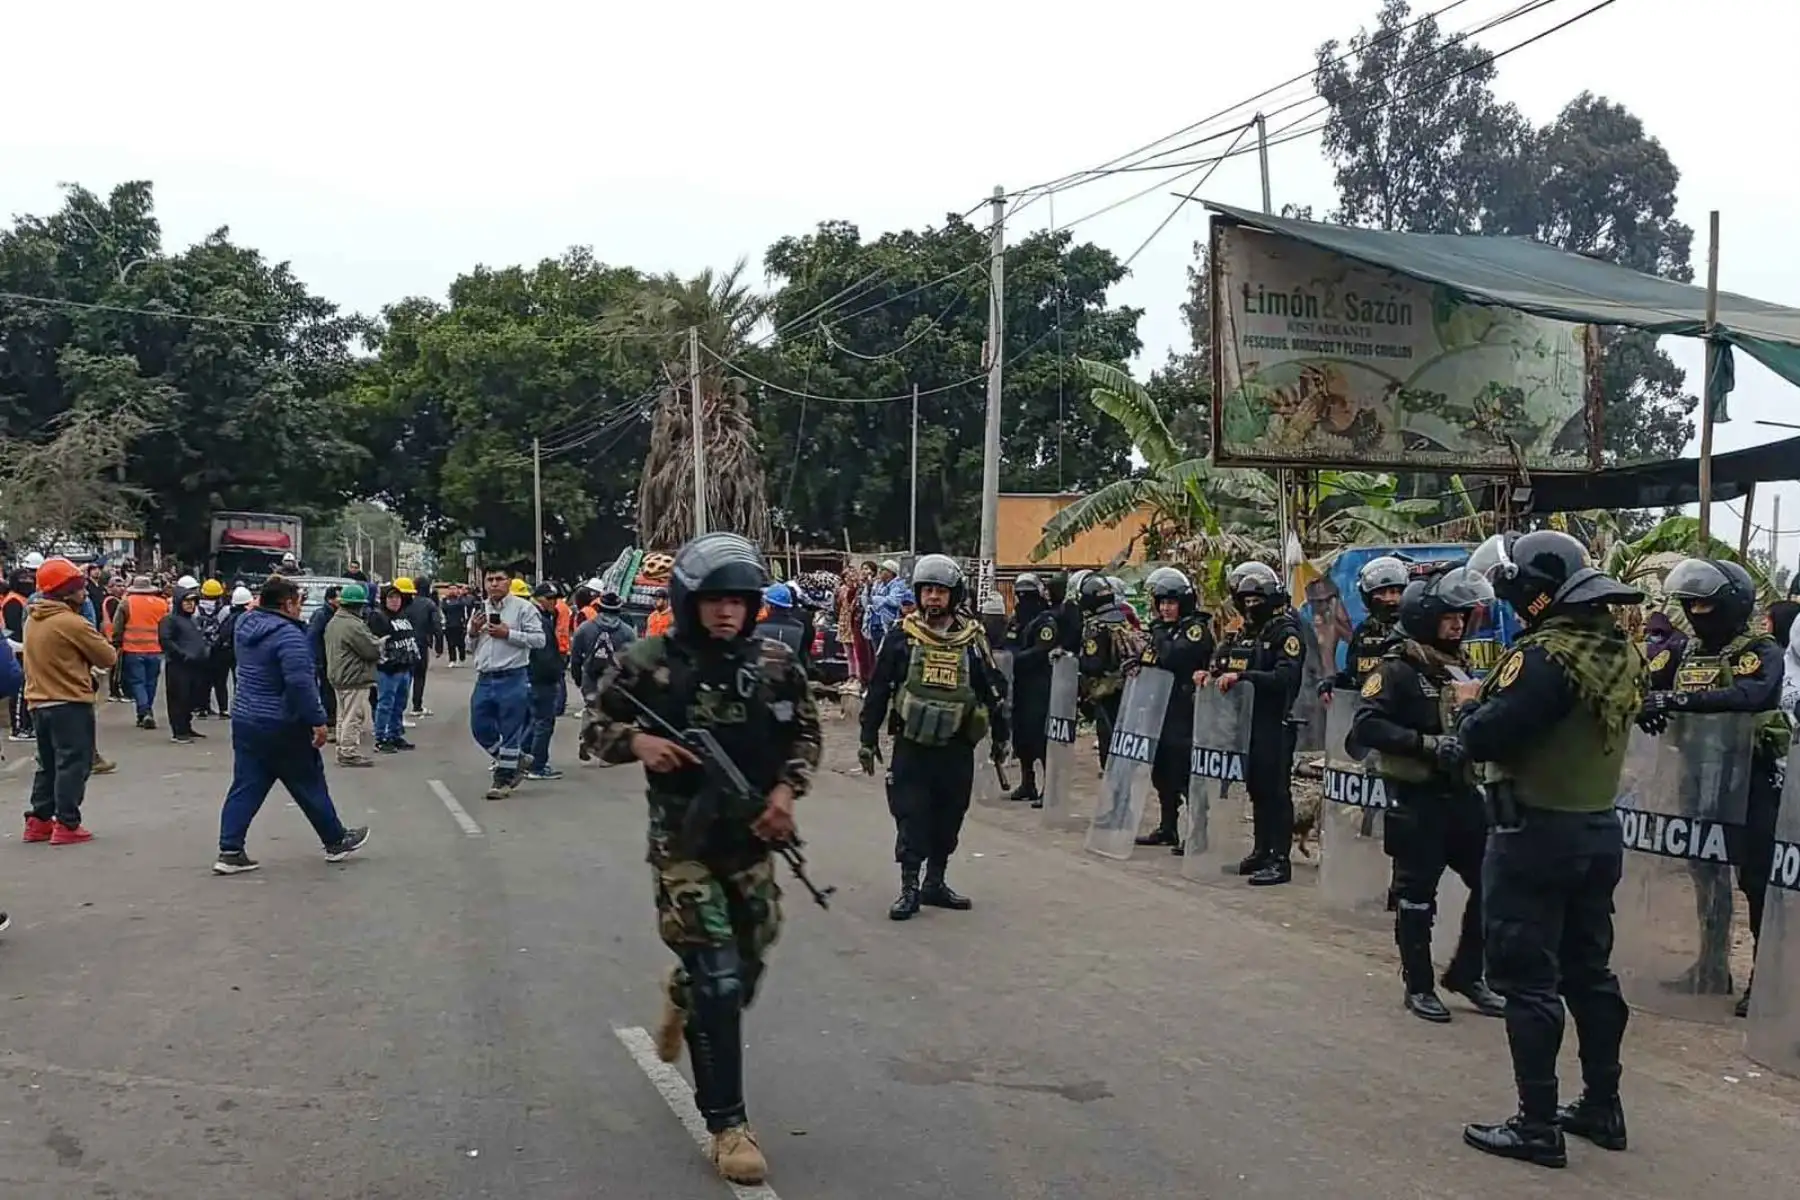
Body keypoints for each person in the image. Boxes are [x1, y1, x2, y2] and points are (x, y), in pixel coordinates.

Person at [586, 532, 819, 1188]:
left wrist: (784, 791)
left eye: (738, 602)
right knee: (718, 979)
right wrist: (639, 743)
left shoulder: (776, 661)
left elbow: (804, 731)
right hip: (682, 845)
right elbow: (594, 729)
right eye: (714, 600)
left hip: (752, 842)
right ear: (691, 602)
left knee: (746, 963)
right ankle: (728, 1126)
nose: (726, 613)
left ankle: (680, 995)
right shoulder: (648, 660)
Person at [1456, 529, 1642, 1167]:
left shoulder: (1542, 658)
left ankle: (1536, 1126)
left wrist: (1466, 717)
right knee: (1590, 972)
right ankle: (1602, 1106)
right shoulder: (1616, 650)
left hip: (1533, 833)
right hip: (1596, 831)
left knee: (1528, 980)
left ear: (1535, 592)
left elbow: (1488, 732)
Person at [1349, 567, 1507, 1023]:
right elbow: (1366, 725)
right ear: (1424, 617)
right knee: (1417, 895)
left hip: (1461, 794)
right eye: (1448, 617)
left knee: (1492, 882)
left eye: (1462, 617)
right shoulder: (1396, 667)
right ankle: (1418, 985)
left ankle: (1468, 973)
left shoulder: (1457, 666)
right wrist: (1426, 745)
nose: (1458, 625)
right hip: (1415, 798)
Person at [1643, 556, 1785, 1018]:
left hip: (1751, 782)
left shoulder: (1759, 650)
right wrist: (1649, 702)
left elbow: (1755, 695)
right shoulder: (1683, 650)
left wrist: (1681, 699)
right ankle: (1711, 965)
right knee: (1706, 873)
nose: (1696, 613)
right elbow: (1646, 684)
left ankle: (1764, 980)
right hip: (1698, 776)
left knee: (1755, 880)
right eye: (1690, 605)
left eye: (1705, 605)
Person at [859, 554, 1009, 920]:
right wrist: (867, 738)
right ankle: (909, 887)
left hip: (956, 748)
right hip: (913, 746)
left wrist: (1002, 739)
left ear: (953, 595)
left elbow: (993, 691)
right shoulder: (902, 636)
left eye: (940, 592)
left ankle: (935, 883)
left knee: (949, 816)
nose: (933, 599)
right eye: (927, 591)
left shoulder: (972, 640)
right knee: (911, 816)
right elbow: (878, 688)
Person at [213, 575, 369, 874]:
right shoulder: (289, 637)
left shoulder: (246, 626)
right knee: (308, 781)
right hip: (282, 723)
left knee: (247, 784)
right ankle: (335, 840)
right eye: (298, 601)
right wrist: (318, 721)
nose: (301, 608)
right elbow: (300, 684)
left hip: (247, 719)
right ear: (287, 604)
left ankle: (229, 849)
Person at [1198, 562, 1305, 886]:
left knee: (1276, 791)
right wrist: (1211, 673)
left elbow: (1285, 677)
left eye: (1256, 599)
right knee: (1257, 787)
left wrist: (1244, 677)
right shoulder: (1244, 631)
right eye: (1245, 599)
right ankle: (1261, 850)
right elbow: (1224, 660)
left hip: (1275, 721)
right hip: (1246, 725)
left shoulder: (1285, 631)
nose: (1250, 605)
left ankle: (1280, 859)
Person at [20, 557, 116, 846]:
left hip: (39, 702)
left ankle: (39, 820)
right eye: (79, 587)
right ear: (66, 591)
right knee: (74, 762)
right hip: (69, 703)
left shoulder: (33, 619)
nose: (84, 592)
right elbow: (107, 656)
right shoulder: (71, 622)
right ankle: (67, 823)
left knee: (47, 763)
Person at [1135, 567, 1215, 852]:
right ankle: (1168, 826)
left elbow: (1172, 657)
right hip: (1160, 710)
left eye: (1171, 603)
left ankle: (1197, 833)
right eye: (1162, 603)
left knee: (1184, 773)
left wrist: (1158, 634)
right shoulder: (1164, 631)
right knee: (1162, 771)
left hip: (1186, 712)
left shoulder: (1195, 630)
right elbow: (1150, 661)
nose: (1165, 609)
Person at [470, 566, 545, 800]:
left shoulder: (524, 609)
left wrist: (508, 633)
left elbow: (539, 640)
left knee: (511, 731)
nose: (494, 584)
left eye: (499, 579)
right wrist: (472, 631)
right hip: (485, 677)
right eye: (489, 579)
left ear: (510, 582)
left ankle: (502, 781)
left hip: (513, 677)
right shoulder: (479, 609)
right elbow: (470, 647)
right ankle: (516, 760)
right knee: (479, 727)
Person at [1003, 573, 1059, 807]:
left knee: (1041, 737)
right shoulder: (1017, 619)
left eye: (1029, 596)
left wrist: (1017, 659)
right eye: (1020, 595)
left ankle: (1050, 788)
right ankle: (1028, 783)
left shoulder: (1046, 621)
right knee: (1022, 735)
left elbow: (1042, 649)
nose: (1023, 600)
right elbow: (1008, 642)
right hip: (1019, 686)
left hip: (1041, 686)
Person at [1075, 573, 1142, 768]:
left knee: (1107, 733)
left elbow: (1093, 664)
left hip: (1106, 690)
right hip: (1128, 686)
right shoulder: (1122, 618)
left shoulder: (1095, 626)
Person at [1321, 556, 1408, 703]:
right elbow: (1353, 674)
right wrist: (1333, 682)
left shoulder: (1414, 630)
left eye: (1394, 592)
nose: (1388, 599)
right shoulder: (1364, 632)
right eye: (1381, 593)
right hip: (1368, 711)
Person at [323, 583, 380, 767]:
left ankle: (343, 748)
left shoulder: (334, 621)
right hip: (353, 676)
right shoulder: (353, 625)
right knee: (353, 716)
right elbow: (370, 650)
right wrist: (380, 644)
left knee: (343, 715)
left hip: (339, 675)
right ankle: (348, 752)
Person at [111, 574, 169, 729]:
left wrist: (116, 642)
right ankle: (146, 711)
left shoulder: (126, 603)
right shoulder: (162, 604)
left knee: (138, 682)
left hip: (133, 649)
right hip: (156, 649)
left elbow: (117, 626)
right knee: (151, 682)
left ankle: (144, 711)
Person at [368, 584, 420, 754]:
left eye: (397, 597)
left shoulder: (403, 616)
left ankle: (395, 734)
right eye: (390, 597)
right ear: (384, 599)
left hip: (405, 667)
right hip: (387, 669)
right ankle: (381, 737)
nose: (395, 601)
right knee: (385, 704)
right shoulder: (378, 617)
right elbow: (375, 642)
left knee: (400, 704)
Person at [158, 583, 211, 744]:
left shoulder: (193, 620)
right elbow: (165, 640)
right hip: (178, 665)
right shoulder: (169, 620)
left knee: (191, 698)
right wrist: (182, 655)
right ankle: (179, 731)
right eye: (186, 601)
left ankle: (187, 727)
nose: (190, 604)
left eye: (193, 601)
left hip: (195, 665)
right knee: (178, 698)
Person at [523, 582, 566, 781]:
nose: (554, 603)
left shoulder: (535, 615)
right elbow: (544, 654)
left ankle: (522, 761)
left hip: (531, 676)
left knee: (532, 721)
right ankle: (537, 765)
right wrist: (555, 673)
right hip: (541, 677)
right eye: (551, 599)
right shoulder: (538, 619)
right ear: (539, 598)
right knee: (543, 722)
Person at [574, 592, 637, 709]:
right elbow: (634, 663)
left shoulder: (584, 628)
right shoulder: (628, 632)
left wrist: (579, 680)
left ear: (599, 608)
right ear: (619, 610)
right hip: (616, 687)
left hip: (590, 685)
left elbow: (575, 659)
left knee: (592, 716)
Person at [400, 577, 442, 718]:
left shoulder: (405, 603)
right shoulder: (429, 604)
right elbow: (437, 625)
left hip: (404, 643)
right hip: (421, 643)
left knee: (405, 676)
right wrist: (438, 645)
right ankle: (417, 706)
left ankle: (400, 708)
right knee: (420, 675)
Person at [306, 585, 342, 734]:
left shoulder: (337, 613)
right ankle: (329, 720)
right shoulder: (322, 615)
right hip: (324, 659)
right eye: (339, 596)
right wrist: (316, 660)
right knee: (327, 691)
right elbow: (312, 637)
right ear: (330, 599)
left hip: (334, 658)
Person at [753, 583, 812, 673]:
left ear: (768, 605)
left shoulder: (758, 626)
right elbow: (804, 655)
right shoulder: (799, 627)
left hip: (764, 675)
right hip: (791, 676)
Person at [194, 579, 230, 716]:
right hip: (219, 649)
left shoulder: (197, 609)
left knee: (203, 680)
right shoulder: (225, 610)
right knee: (221, 681)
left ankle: (203, 708)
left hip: (201, 649)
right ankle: (223, 709)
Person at [441, 584, 472, 667]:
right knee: (450, 644)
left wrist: (465, 623)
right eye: (450, 589)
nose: (452, 591)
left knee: (461, 643)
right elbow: (442, 612)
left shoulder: (461, 600)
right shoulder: (445, 601)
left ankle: (462, 657)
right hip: (449, 625)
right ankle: (452, 660)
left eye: (454, 589)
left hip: (459, 624)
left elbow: (465, 611)